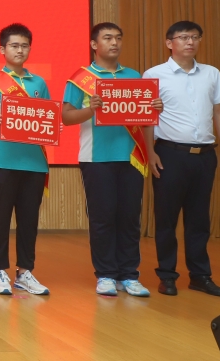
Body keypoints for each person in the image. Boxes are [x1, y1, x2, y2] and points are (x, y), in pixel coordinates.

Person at [62, 23, 162, 297]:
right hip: (96, 158)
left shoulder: (133, 76)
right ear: (94, 44)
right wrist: (90, 110)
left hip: (132, 157)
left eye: (118, 38)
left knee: (130, 217)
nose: (114, 43)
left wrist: (155, 108)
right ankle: (105, 274)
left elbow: (144, 118)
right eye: (107, 38)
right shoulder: (80, 78)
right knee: (103, 217)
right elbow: (66, 117)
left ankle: (129, 275)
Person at [143, 20, 220, 297]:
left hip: (205, 155)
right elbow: (146, 116)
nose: (190, 42)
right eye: (183, 37)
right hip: (170, 154)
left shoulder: (211, 73)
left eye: (195, 37)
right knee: (166, 219)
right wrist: (150, 152)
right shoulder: (153, 75)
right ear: (169, 43)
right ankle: (167, 275)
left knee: (199, 219)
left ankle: (200, 276)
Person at [0, 23, 52, 296]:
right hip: (2, 160)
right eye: (14, 45)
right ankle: (0, 271)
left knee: (29, 219)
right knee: (0, 217)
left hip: (34, 161)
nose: (20, 50)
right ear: (2, 49)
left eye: (24, 45)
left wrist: (51, 126)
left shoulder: (39, 83)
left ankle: (25, 272)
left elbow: (46, 116)